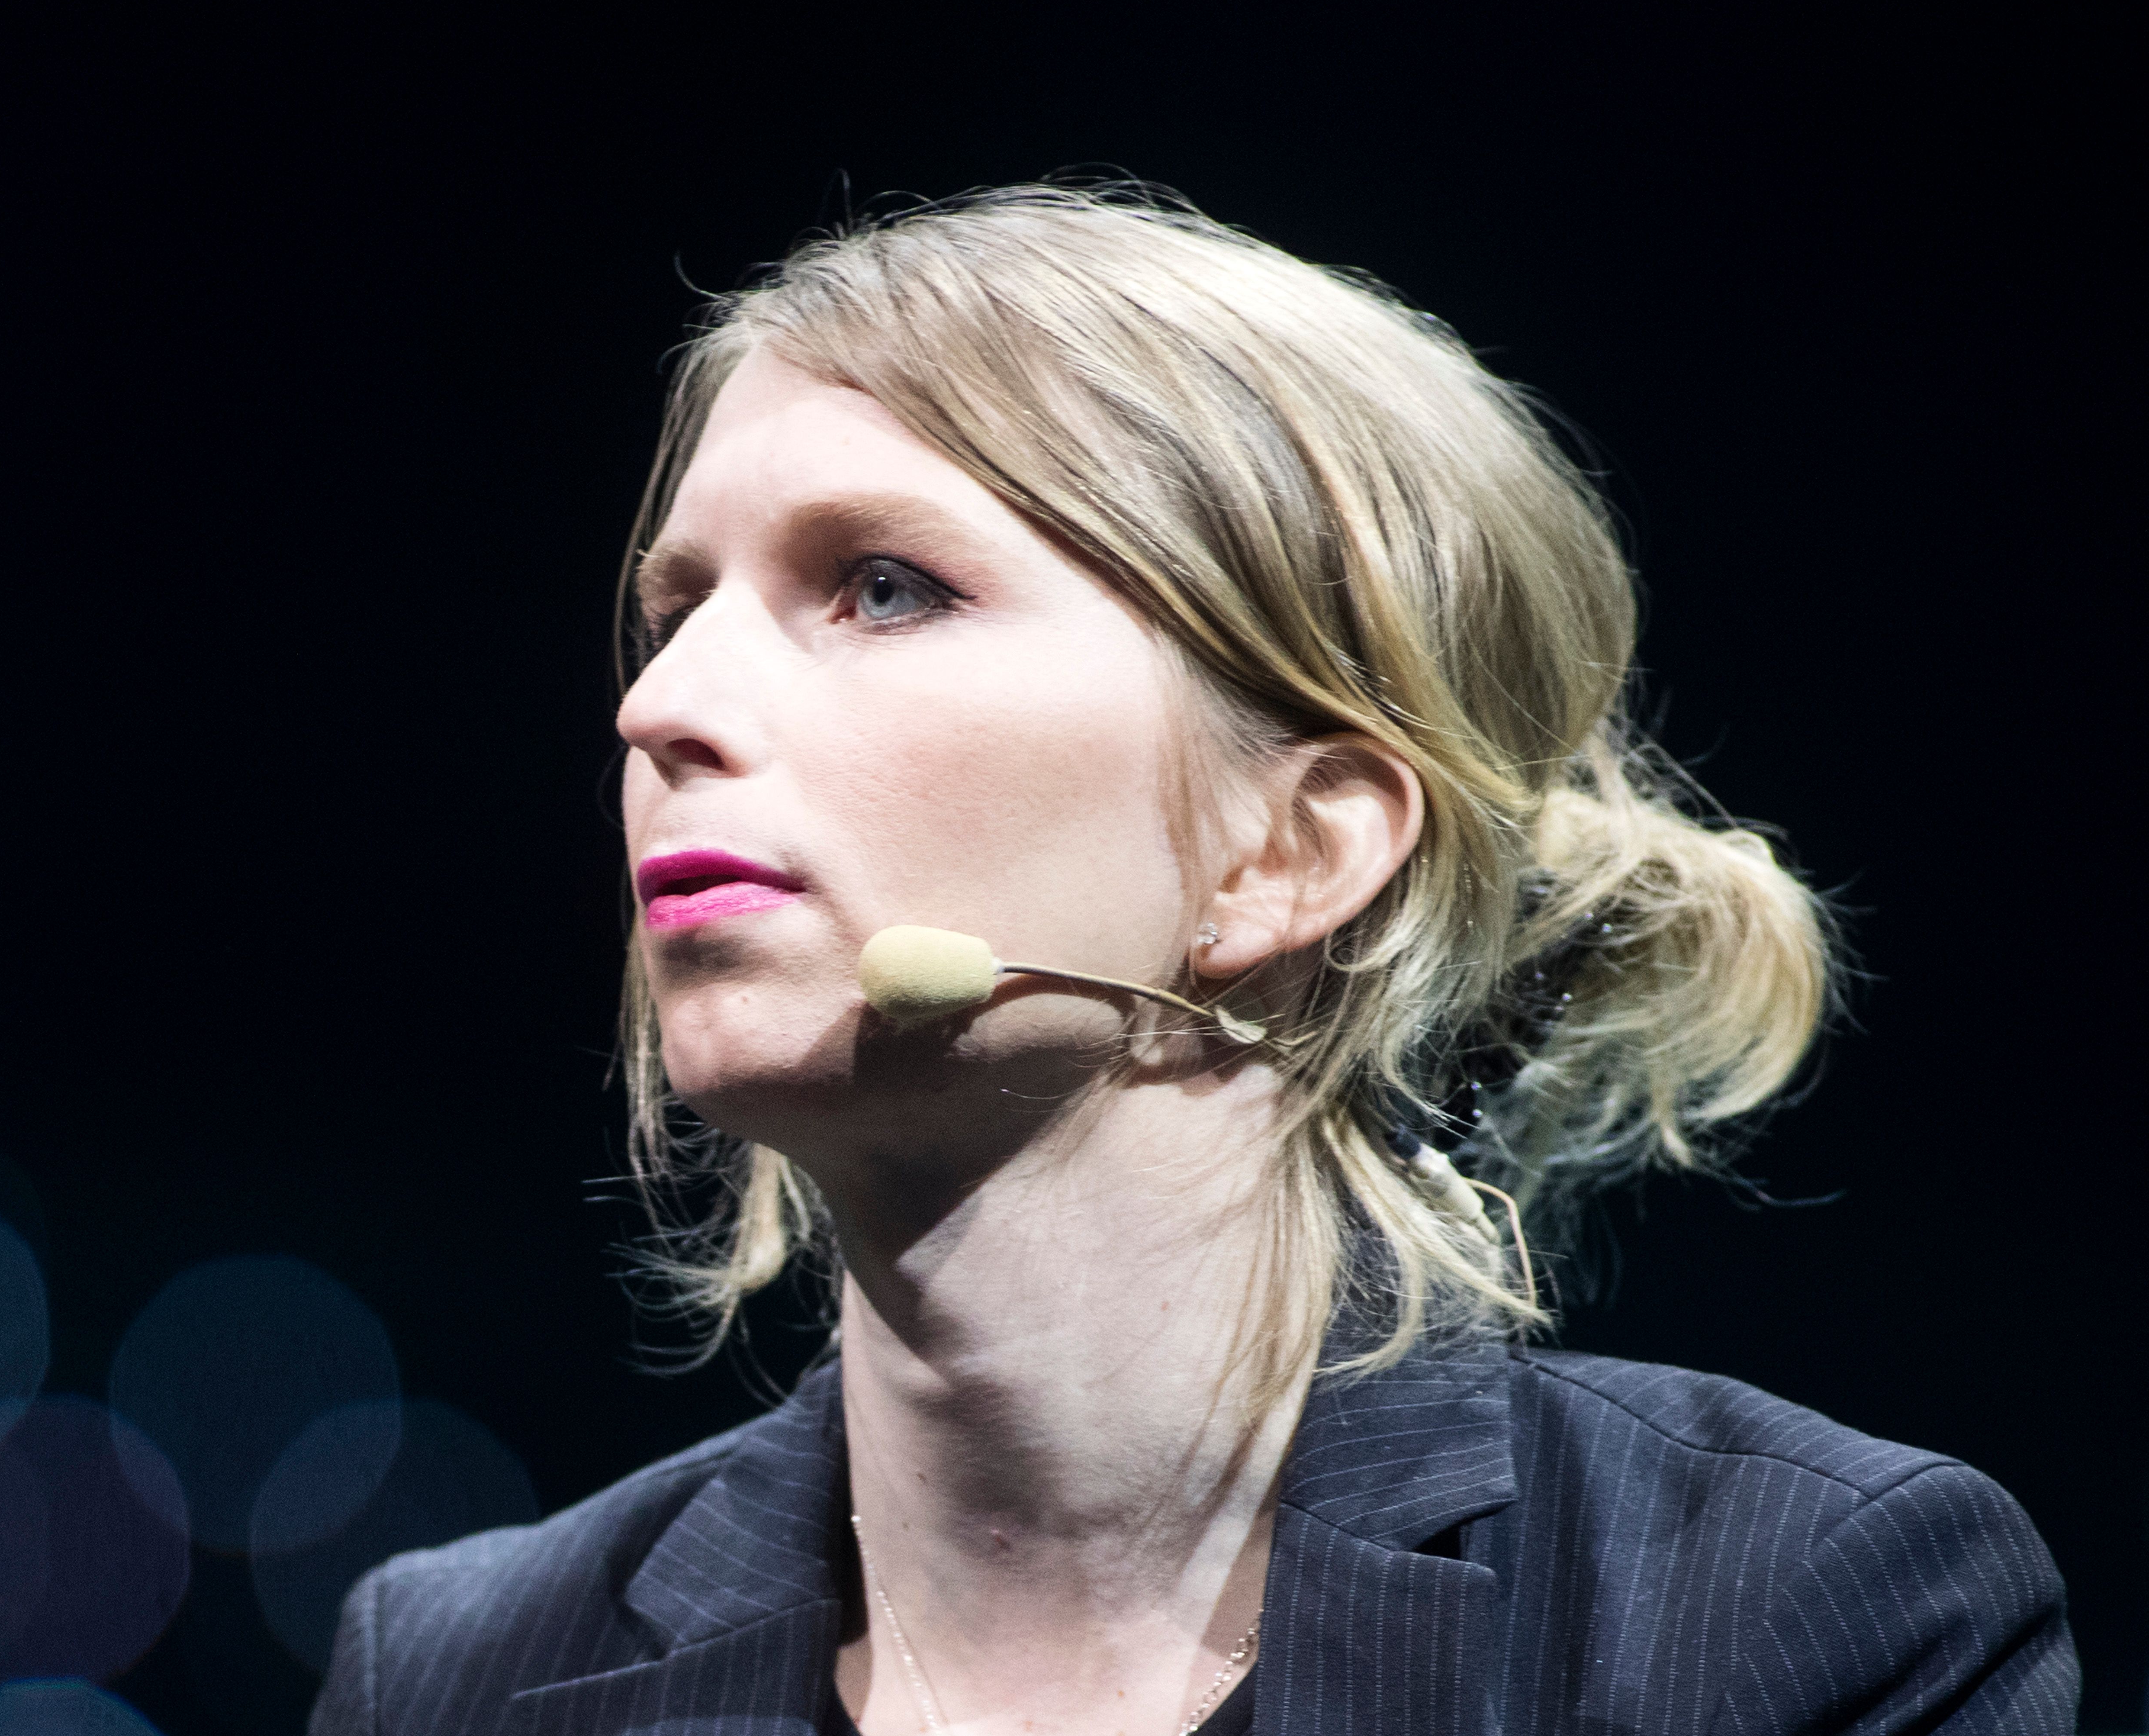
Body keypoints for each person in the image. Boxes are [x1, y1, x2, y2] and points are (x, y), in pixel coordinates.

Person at [308, 186, 2075, 1734]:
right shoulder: (462, 1671)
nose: (661, 705)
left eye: (882, 586)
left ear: (1287, 847)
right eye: (674, 608)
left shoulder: (1791, 1613)